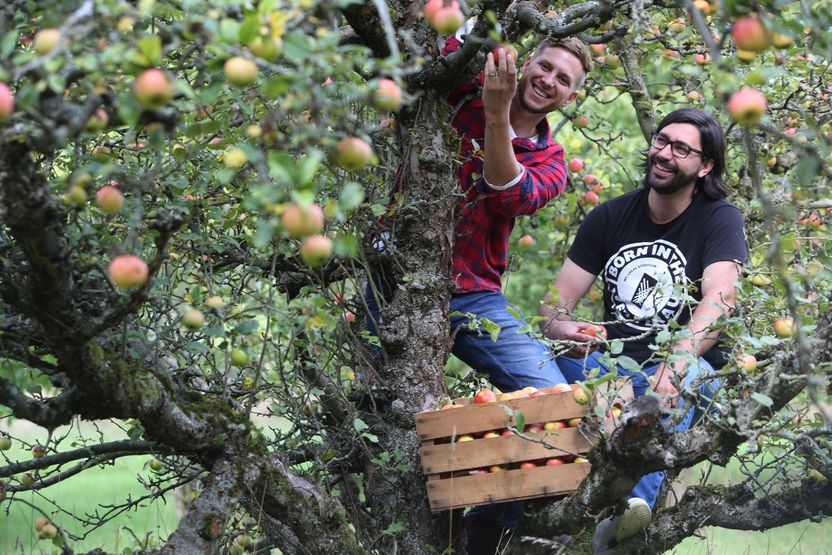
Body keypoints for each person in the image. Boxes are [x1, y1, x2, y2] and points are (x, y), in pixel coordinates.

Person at [365, 32, 592, 554]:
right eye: (545, 67)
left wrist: (495, 118)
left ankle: (483, 520)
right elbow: (428, 37)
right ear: (526, 61)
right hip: (394, 273)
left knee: (558, 412)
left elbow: (506, 192)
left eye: (564, 79)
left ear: (570, 97)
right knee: (385, 416)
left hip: (474, 294)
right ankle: (412, 526)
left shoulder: (552, 160)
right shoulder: (465, 88)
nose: (548, 81)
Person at [538, 108, 747, 553]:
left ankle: (623, 513)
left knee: (679, 382)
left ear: (705, 165)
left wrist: (674, 364)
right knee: (548, 363)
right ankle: (562, 504)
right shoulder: (609, 217)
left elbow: (721, 297)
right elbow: (552, 313)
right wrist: (575, 330)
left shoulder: (719, 217)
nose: (664, 153)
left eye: (681, 148)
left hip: (691, 365)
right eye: (661, 140)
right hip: (615, 362)